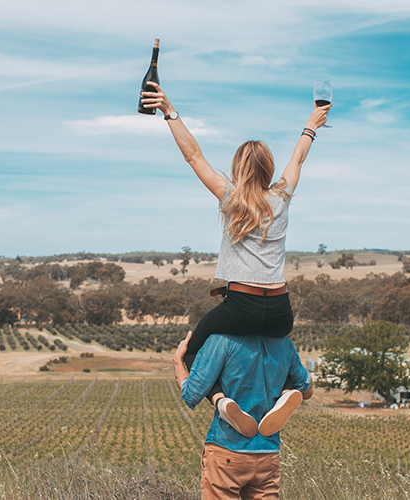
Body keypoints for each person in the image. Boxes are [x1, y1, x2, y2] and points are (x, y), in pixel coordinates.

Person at [140, 81, 330, 437]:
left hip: (239, 304)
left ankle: (221, 402)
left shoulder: (230, 197)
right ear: (268, 167)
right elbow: (298, 157)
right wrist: (311, 125)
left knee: (194, 354)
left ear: (239, 168)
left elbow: (193, 156)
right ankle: (289, 392)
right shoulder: (282, 197)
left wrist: (170, 112)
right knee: (277, 353)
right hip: (280, 312)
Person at [174, 330, 313, 499]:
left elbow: (192, 394)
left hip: (227, 449)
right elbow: (307, 391)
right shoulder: (284, 343)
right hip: (267, 453)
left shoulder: (222, 340)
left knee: (207, 374)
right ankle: (285, 393)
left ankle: (220, 400)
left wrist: (178, 361)